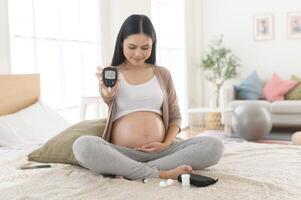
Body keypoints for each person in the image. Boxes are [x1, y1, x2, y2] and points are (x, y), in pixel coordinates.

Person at [72, 14, 224, 180]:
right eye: (132, 47)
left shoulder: (162, 74)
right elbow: (107, 97)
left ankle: (133, 171)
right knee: (83, 146)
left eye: (145, 48)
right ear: (121, 42)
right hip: (124, 153)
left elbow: (175, 116)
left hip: (164, 152)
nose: (138, 54)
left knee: (215, 146)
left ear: (153, 45)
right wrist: (108, 94)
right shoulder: (113, 73)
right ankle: (160, 173)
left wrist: (165, 144)